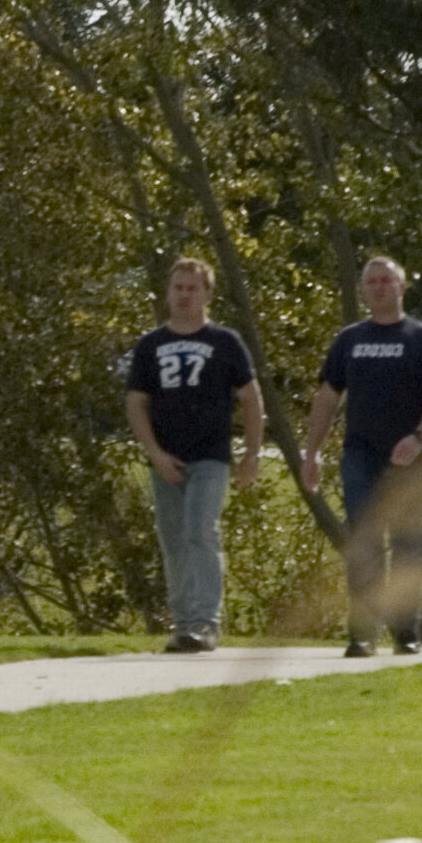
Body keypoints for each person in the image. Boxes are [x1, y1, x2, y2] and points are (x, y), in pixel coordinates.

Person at [296, 254, 422, 657]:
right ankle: (362, 634)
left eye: (387, 281)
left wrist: (419, 437)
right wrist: (311, 453)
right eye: (372, 282)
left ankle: (406, 632)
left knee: (407, 543)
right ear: (363, 290)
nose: (380, 287)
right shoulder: (349, 340)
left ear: (402, 287)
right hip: (360, 455)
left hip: (412, 456)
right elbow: (327, 398)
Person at [122, 256, 264, 651]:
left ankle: (205, 622)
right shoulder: (151, 346)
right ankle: (184, 624)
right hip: (167, 457)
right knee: (173, 539)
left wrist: (251, 454)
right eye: (178, 288)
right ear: (167, 293)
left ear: (207, 295)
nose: (184, 296)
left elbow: (251, 399)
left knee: (200, 529)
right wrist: (155, 455)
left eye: (192, 289)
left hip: (211, 456)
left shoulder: (224, 343)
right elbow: (136, 404)